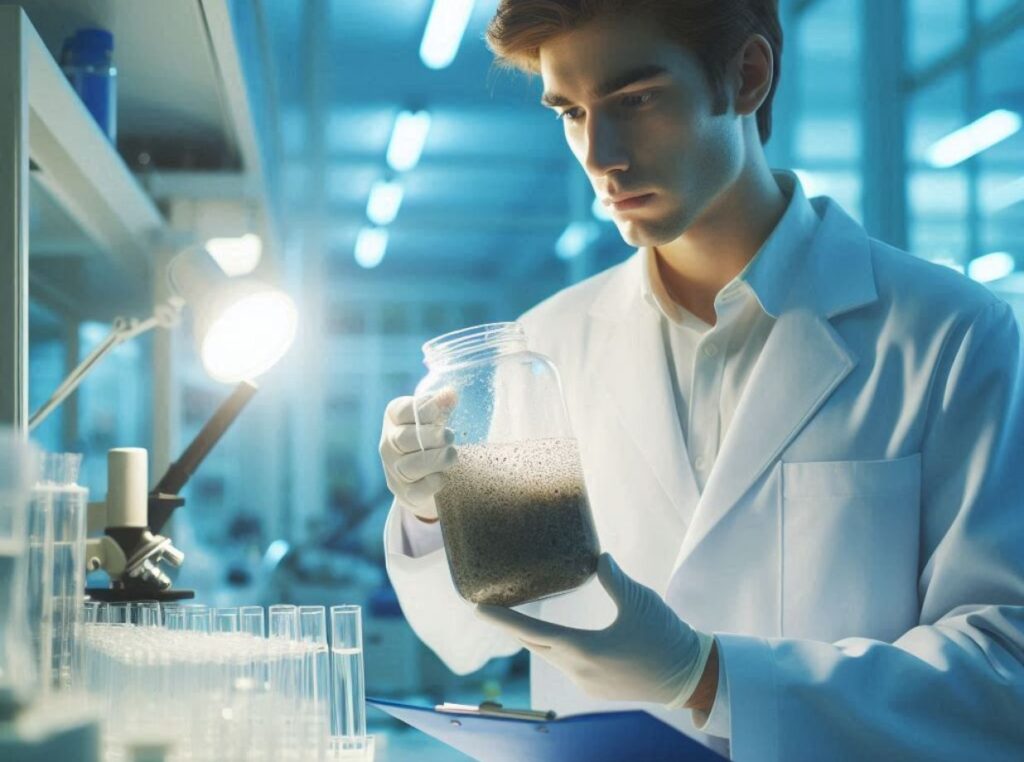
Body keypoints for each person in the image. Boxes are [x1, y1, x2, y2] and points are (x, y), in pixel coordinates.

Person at [378, 1, 1024, 759]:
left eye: (636, 99)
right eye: (571, 112)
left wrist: (708, 676)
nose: (600, 153)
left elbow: (1001, 678)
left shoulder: (948, 333)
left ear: (747, 76)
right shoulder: (545, 346)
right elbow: (469, 635)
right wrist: (433, 514)